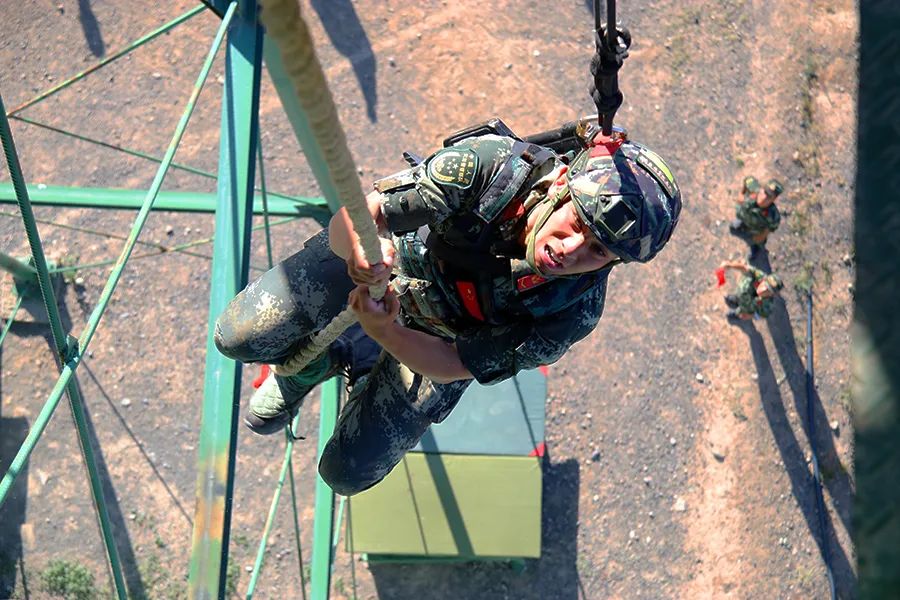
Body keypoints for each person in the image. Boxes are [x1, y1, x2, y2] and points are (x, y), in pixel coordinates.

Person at [214, 119, 682, 496]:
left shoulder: (573, 311)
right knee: (236, 337)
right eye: (576, 221)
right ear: (561, 183)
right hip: (390, 262)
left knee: (346, 472)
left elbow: (455, 363)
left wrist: (385, 331)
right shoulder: (491, 168)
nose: (571, 249)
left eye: (598, 251)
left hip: (438, 338)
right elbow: (360, 217)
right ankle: (310, 367)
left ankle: (363, 355)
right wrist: (360, 251)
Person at [729, 176, 784, 259]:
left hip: (755, 230)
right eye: (765, 192)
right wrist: (741, 193)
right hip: (743, 219)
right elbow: (748, 179)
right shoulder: (753, 190)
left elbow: (770, 229)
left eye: (769, 197)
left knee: (757, 243)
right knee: (734, 226)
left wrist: (760, 237)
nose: (764, 197)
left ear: (773, 200)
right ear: (761, 189)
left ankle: (755, 250)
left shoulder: (773, 215)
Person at [719, 260, 784, 321]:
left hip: (746, 308)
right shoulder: (760, 276)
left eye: (768, 290)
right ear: (764, 280)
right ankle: (735, 300)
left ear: (772, 294)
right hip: (741, 294)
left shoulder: (768, 304)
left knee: (740, 313)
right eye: (765, 285)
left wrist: (751, 316)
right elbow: (745, 268)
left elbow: (762, 315)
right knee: (736, 297)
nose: (763, 289)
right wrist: (730, 265)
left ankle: (736, 314)